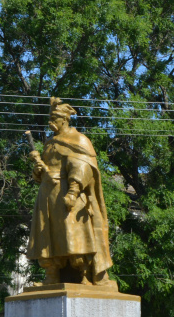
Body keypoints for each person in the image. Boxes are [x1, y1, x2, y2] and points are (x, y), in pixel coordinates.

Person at [27, 98, 115, 287]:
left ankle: (82, 275)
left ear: (65, 120)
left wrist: (73, 192)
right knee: (46, 238)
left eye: (55, 119)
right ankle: (51, 275)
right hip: (46, 195)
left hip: (67, 193)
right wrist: (38, 169)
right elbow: (42, 173)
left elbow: (82, 166)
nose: (51, 122)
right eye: (50, 118)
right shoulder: (49, 143)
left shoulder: (78, 140)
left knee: (75, 236)